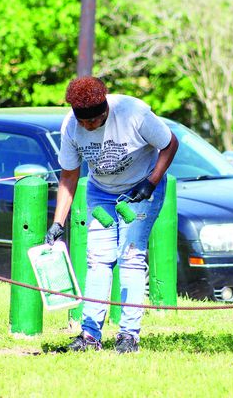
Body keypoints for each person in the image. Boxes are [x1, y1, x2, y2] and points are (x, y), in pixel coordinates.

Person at [45, 76, 179, 353]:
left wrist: (151, 181)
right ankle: (90, 335)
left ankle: (129, 335)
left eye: (93, 121)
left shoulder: (133, 113)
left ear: (105, 108)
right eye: (83, 122)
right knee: (98, 260)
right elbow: (69, 175)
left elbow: (170, 144)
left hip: (141, 189)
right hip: (101, 193)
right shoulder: (71, 126)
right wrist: (58, 221)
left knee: (130, 256)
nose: (87, 127)